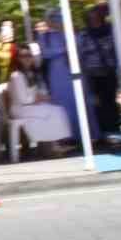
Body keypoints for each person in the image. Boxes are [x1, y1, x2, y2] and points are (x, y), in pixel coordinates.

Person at [6, 50, 71, 154]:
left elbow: (41, 91)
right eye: (23, 56)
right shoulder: (16, 75)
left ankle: (51, 146)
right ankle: (53, 146)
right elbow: (23, 99)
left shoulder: (33, 73)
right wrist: (38, 98)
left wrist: (43, 97)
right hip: (19, 108)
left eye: (29, 55)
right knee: (53, 111)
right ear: (17, 59)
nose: (27, 58)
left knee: (55, 109)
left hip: (31, 106)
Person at [36, 10, 83, 143]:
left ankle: (82, 134)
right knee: (62, 104)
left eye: (58, 18)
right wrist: (63, 49)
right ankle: (66, 136)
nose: (56, 21)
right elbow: (45, 53)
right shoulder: (45, 37)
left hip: (72, 69)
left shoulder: (70, 33)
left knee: (77, 101)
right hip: (56, 72)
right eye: (53, 18)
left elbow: (78, 46)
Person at [77, 5, 117, 143]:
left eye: (96, 16)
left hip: (110, 71)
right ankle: (102, 135)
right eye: (91, 17)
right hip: (93, 74)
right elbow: (80, 55)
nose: (94, 19)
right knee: (97, 104)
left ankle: (114, 132)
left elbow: (115, 49)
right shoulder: (84, 35)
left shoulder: (111, 30)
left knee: (111, 102)